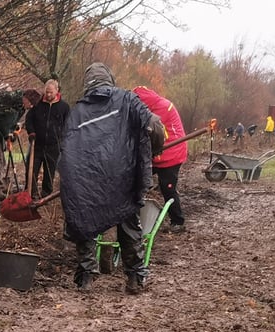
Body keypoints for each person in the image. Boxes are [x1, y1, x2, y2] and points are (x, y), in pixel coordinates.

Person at [59, 63, 159, 295]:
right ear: (109, 79)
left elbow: (67, 150)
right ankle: (134, 277)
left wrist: (71, 180)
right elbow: (154, 124)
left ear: (87, 83)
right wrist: (152, 153)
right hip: (121, 178)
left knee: (83, 221)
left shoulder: (78, 112)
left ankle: (86, 278)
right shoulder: (127, 99)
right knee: (128, 224)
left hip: (87, 181)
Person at [134, 86, 187, 233]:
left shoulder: (161, 109)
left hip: (172, 154)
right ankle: (135, 215)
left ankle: (178, 221)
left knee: (168, 188)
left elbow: (151, 133)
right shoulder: (152, 106)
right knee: (136, 179)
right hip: (159, 154)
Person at [25, 78, 69, 198]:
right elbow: (29, 120)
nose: (48, 94)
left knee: (49, 171)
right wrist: (31, 132)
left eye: (51, 92)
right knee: (32, 168)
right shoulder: (38, 105)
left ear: (57, 91)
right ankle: (30, 193)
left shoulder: (64, 107)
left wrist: (63, 139)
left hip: (53, 145)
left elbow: (67, 124)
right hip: (37, 143)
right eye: (47, 92)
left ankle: (46, 193)